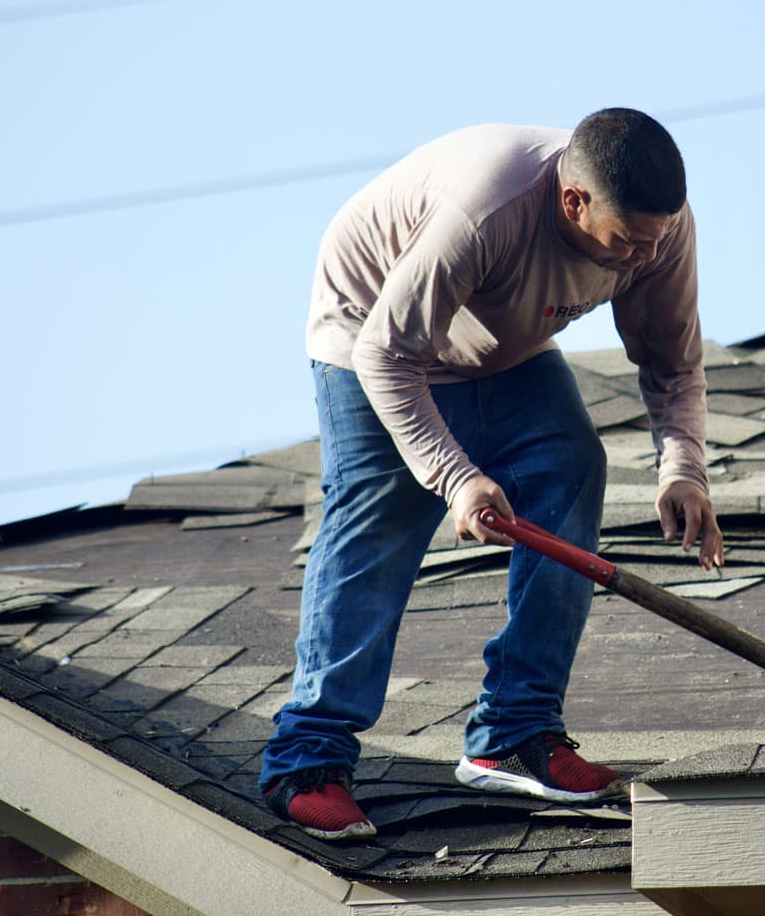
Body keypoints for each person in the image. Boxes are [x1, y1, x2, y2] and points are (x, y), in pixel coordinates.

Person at [259, 108, 723, 842]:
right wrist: (454, 476)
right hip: (371, 335)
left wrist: (684, 470)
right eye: (628, 241)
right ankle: (307, 761)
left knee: (570, 465)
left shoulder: (657, 229)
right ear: (575, 202)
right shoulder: (486, 211)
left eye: (654, 239)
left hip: (499, 345)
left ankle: (514, 733)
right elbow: (387, 354)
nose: (641, 257)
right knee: (380, 515)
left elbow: (672, 362)